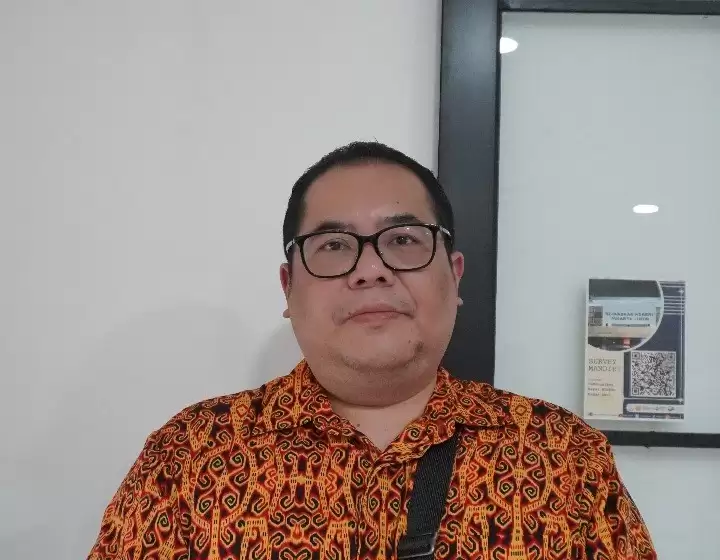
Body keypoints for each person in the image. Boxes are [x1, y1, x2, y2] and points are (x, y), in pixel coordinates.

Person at [88, 142, 657, 559]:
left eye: (403, 240)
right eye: (334, 245)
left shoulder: (564, 457)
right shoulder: (189, 458)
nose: (370, 270)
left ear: (455, 276)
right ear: (288, 288)